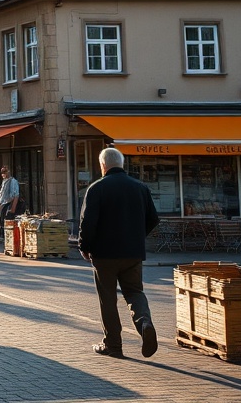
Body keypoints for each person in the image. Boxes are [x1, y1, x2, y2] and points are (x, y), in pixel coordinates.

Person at [78, 147, 160, 359]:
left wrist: (84, 247)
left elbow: (87, 223)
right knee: (134, 292)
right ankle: (144, 323)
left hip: (104, 254)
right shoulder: (140, 187)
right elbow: (153, 219)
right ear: (121, 164)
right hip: (132, 253)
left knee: (108, 298)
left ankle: (113, 345)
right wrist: (136, 236)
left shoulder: (97, 188)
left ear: (103, 165)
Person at [0, 166, 19, 232]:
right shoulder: (4, 181)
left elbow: (16, 195)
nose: (3, 174)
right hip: (2, 203)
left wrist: (13, 208)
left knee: (6, 222)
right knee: (1, 222)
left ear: (8, 172)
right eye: (2, 172)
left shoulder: (13, 181)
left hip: (7, 203)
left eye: (4, 172)